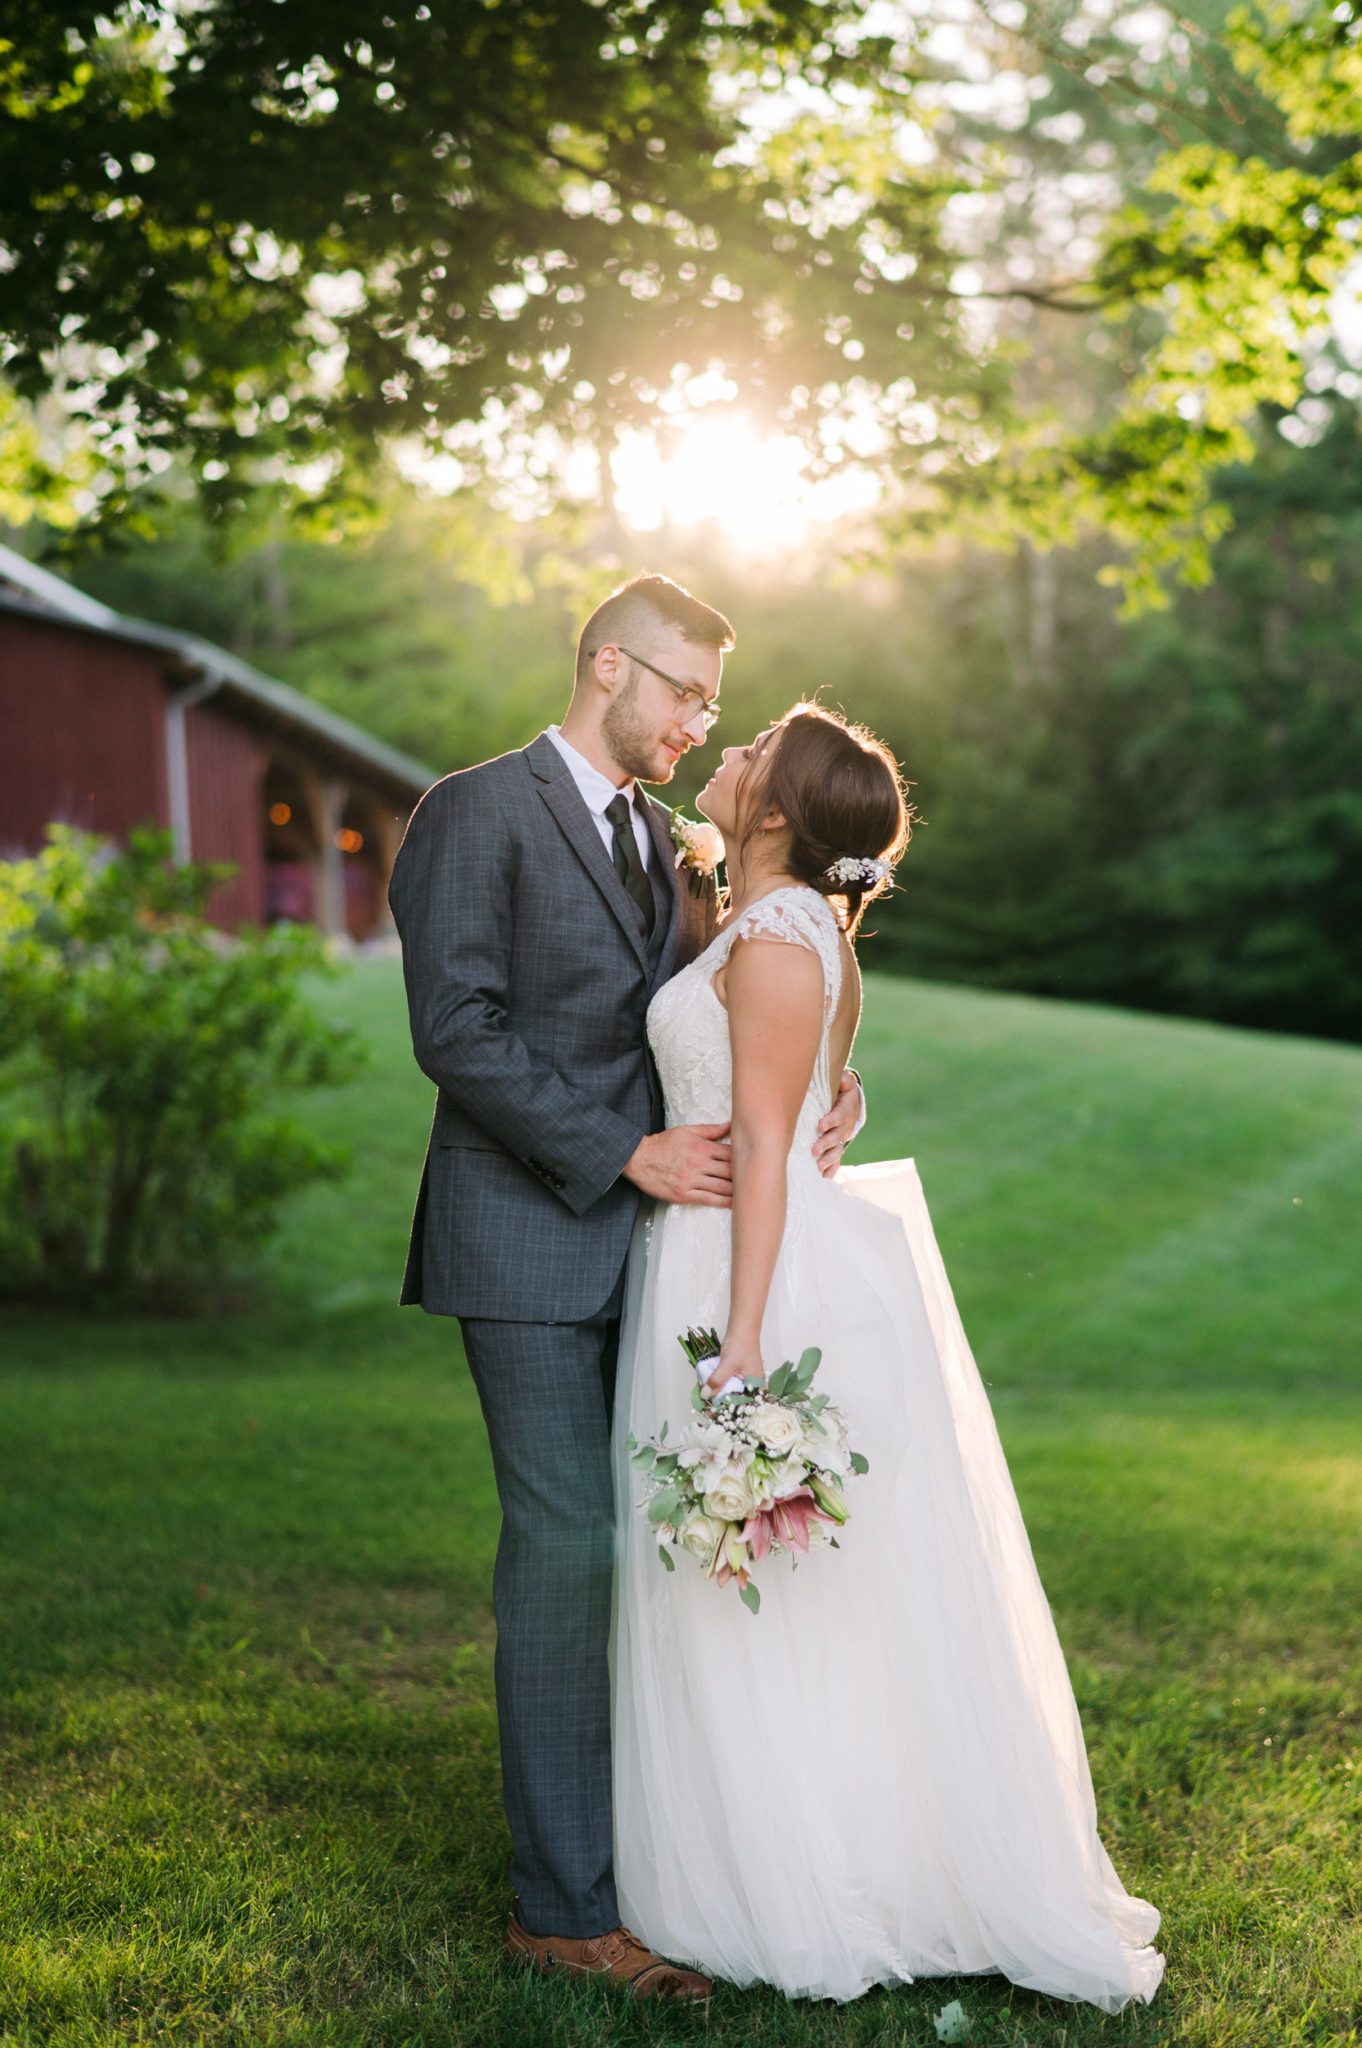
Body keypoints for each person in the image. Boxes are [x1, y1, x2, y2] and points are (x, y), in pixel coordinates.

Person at [611, 702, 1167, 2012]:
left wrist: (738, 1348)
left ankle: (806, 1871)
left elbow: (762, 1143)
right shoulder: (783, 923)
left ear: (778, 813)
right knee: (790, 1588)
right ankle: (789, 1841)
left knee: (765, 1581)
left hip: (740, 1271)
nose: (727, 753)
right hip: (734, 1249)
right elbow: (818, 1104)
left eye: (747, 753)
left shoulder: (780, 941)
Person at [387, 576, 865, 2003]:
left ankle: (651, 1858)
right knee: (564, 1552)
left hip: (663, 1261)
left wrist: (828, 1091)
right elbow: (454, 1028)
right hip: (523, 1240)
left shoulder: (673, 846)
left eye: (714, 705)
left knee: (649, 1569)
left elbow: (722, 1001)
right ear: (610, 667)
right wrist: (622, 1151)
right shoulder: (472, 812)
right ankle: (560, 1910)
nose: (697, 723)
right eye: (684, 694)